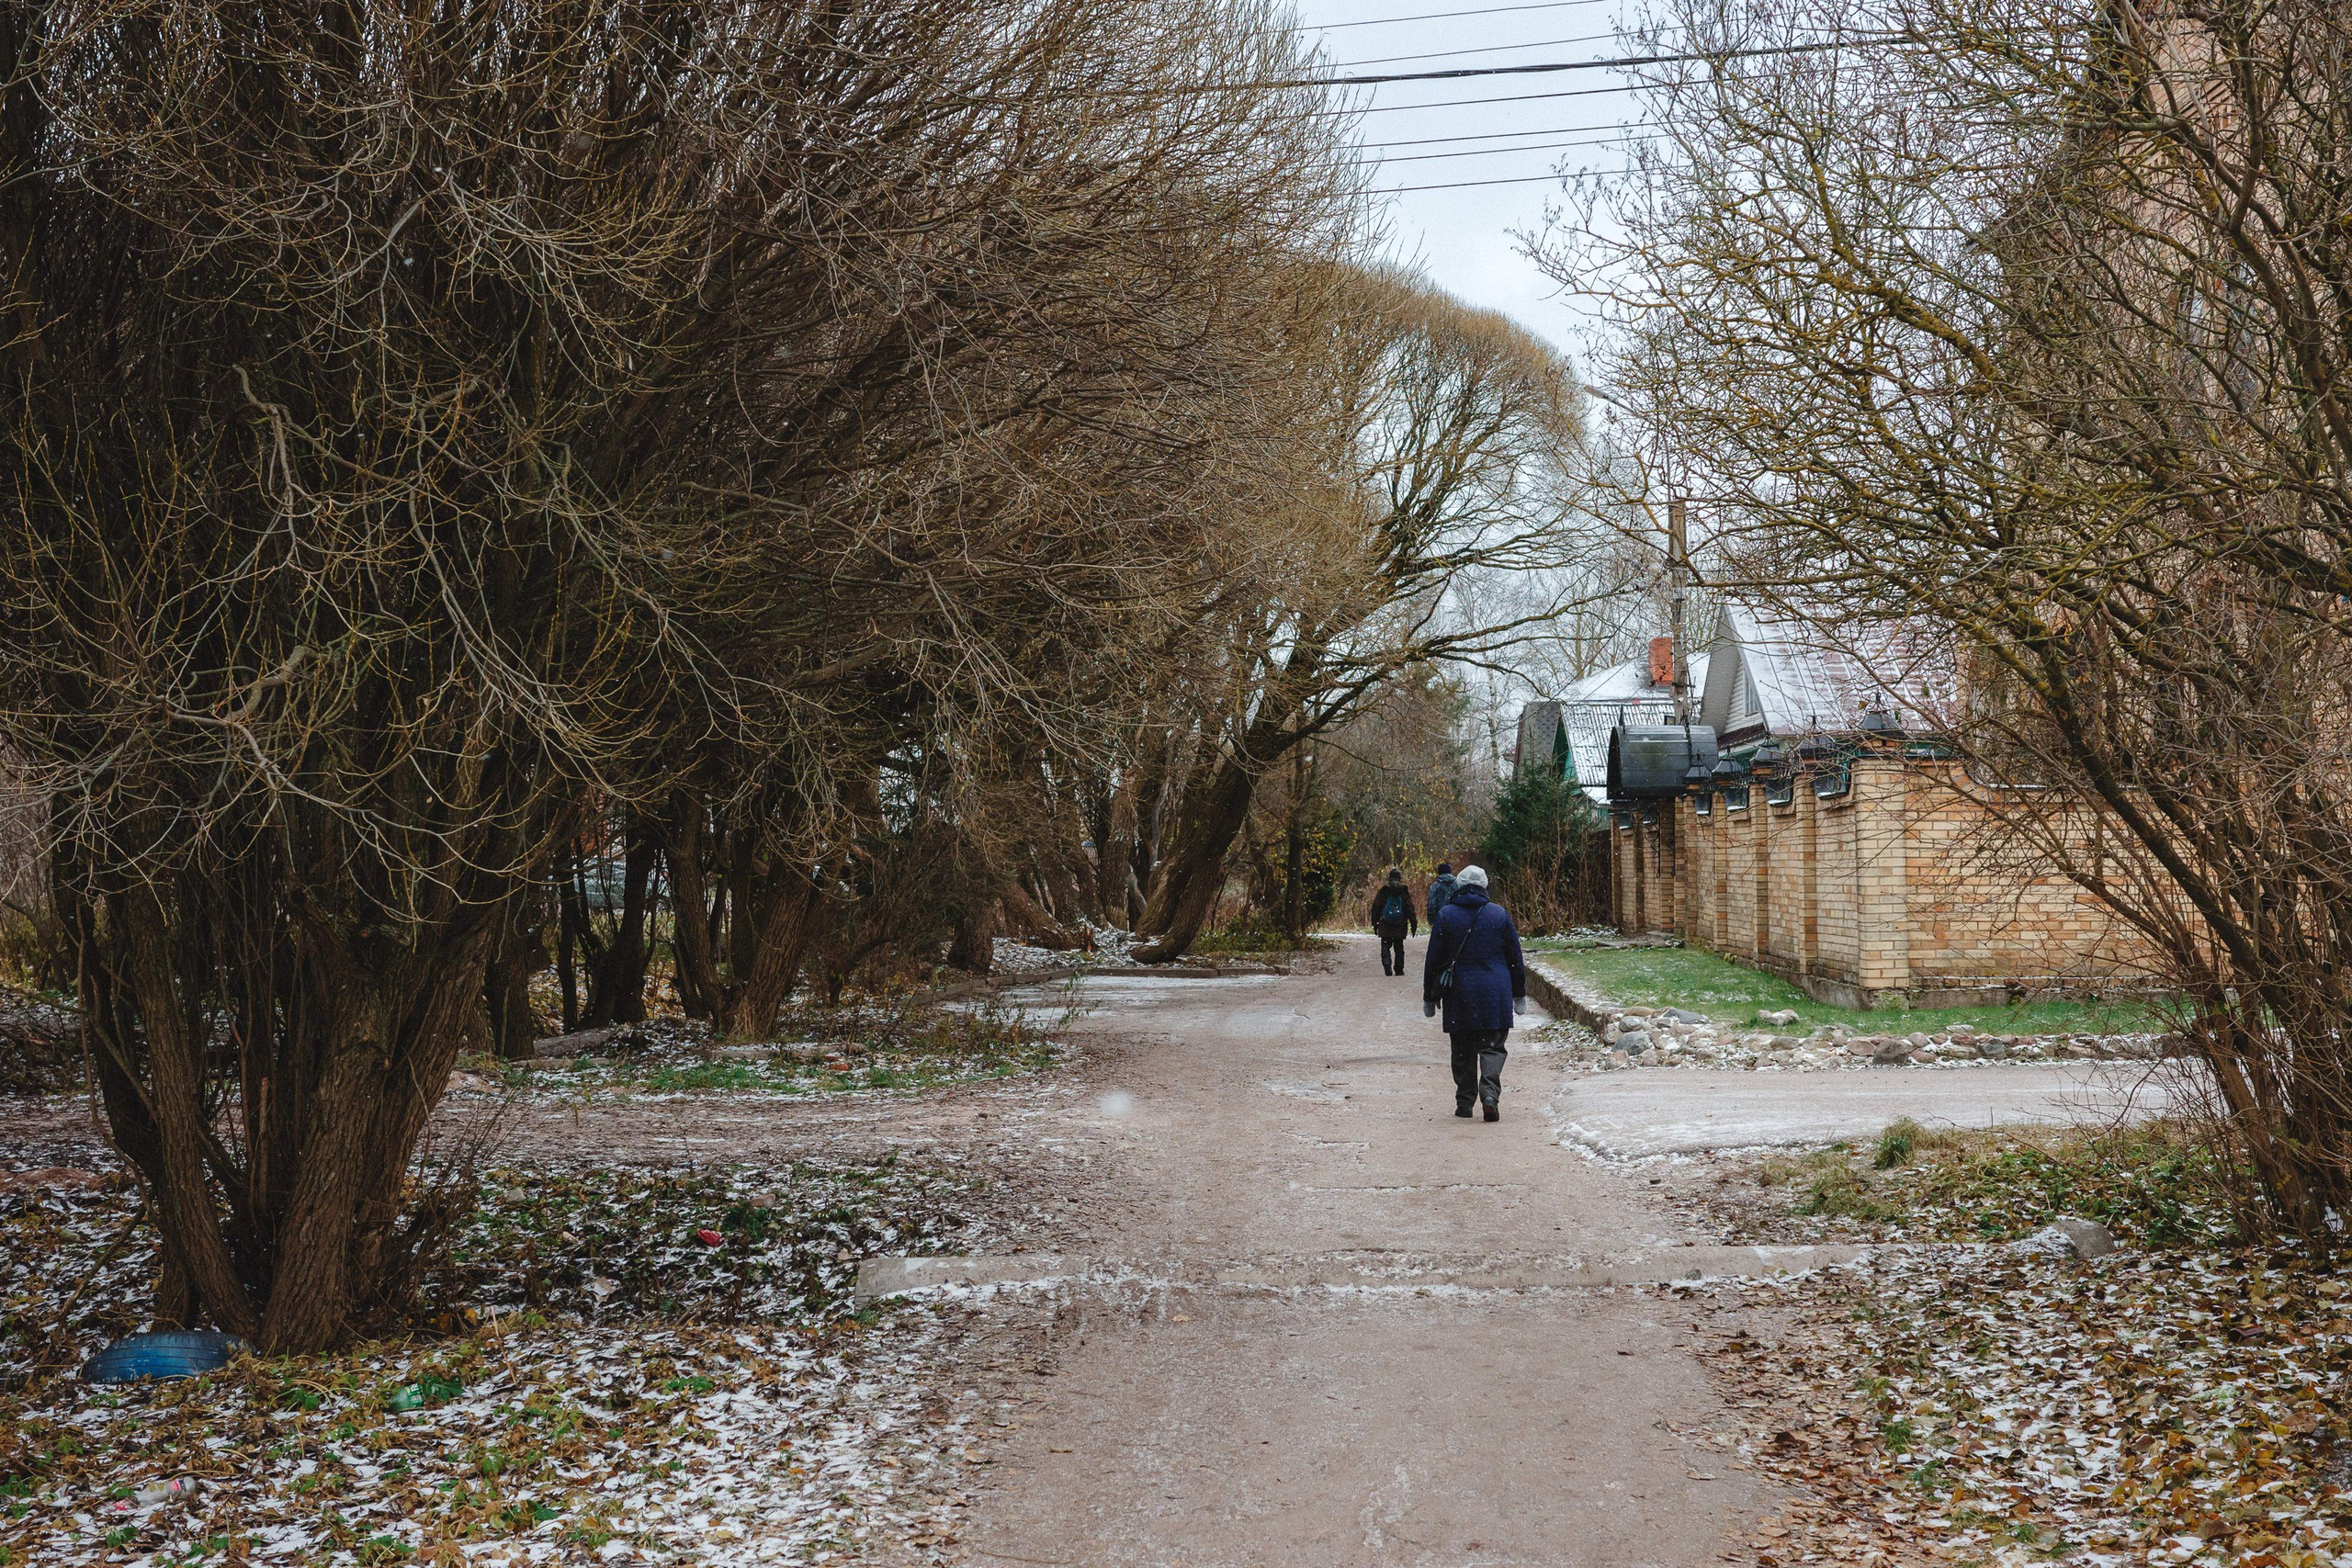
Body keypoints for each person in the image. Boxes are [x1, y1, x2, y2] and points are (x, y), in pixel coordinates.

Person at [1421, 864, 1526, 1122]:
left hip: (1460, 993)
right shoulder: (1499, 915)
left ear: (1458, 885)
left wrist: (1429, 996)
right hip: (1495, 993)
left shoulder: (1446, 916)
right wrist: (1519, 993)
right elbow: (1515, 957)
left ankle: (1465, 1102)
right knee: (1493, 1047)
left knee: (1462, 1049)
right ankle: (1490, 1095)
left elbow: (1433, 959)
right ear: (1484, 886)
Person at [1367, 866, 1418, 976]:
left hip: (1385, 923)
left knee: (1385, 945)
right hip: (1400, 924)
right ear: (1399, 878)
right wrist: (1414, 924)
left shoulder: (1384, 890)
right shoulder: (1404, 891)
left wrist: (1375, 923)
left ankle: (1387, 962)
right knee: (1399, 947)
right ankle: (1399, 969)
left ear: (1389, 878)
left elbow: (1376, 907)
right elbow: (1410, 909)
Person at [1425, 862, 1458, 926]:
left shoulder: (1435, 886)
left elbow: (1432, 904)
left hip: (1440, 918)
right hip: (1455, 918)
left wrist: (1431, 920)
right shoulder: (1458, 884)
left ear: (1439, 872)